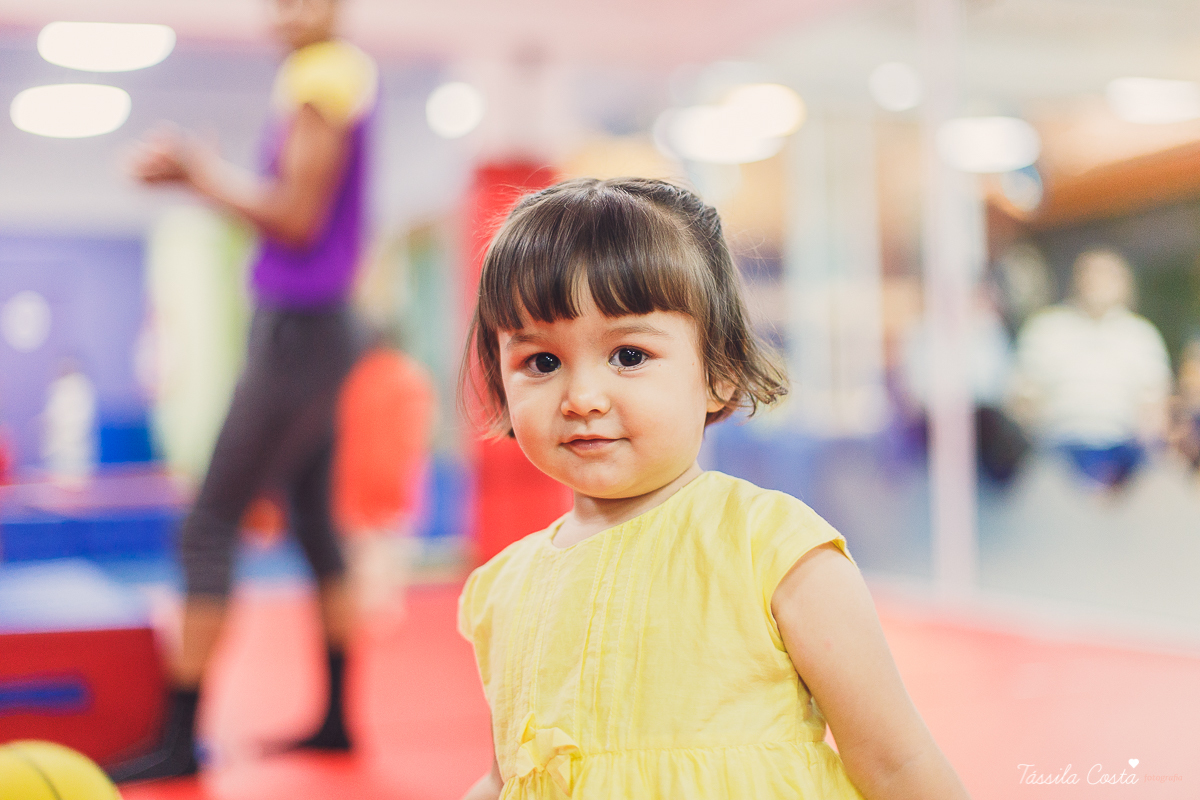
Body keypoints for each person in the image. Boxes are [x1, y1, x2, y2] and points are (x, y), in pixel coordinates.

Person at [456, 178, 969, 799]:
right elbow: (506, 776)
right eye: (541, 362)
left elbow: (897, 765)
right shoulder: (502, 589)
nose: (582, 398)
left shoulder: (774, 548)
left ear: (719, 373)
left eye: (629, 355)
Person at [110, 0, 377, 781]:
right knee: (314, 524)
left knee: (208, 524)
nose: (281, 12)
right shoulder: (333, 76)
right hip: (319, 328)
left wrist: (198, 177)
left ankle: (176, 739)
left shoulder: (321, 74)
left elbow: (294, 216)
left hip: (299, 330)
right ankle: (335, 722)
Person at [1009, 248, 1171, 490]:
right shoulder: (1046, 327)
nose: (1098, 281)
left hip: (1123, 447)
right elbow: (1022, 398)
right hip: (1058, 447)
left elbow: (1155, 405)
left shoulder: (1141, 335)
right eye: (1092, 273)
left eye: (1108, 274)